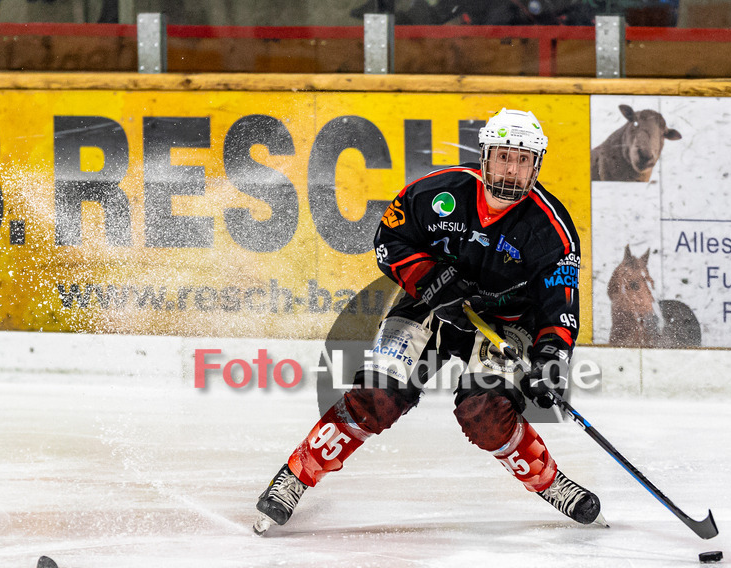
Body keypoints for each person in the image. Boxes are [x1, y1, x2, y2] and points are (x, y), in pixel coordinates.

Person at [254, 108, 600, 534]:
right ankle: (295, 476)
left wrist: (550, 361)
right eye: (504, 157)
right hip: (431, 307)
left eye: (523, 159)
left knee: (486, 414)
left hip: (505, 322)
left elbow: (559, 306)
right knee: (376, 398)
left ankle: (550, 483)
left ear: (536, 165)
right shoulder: (439, 192)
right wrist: (436, 283)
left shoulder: (552, 229)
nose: (512, 170)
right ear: (485, 156)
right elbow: (388, 239)